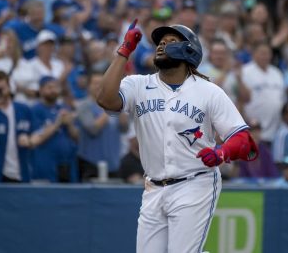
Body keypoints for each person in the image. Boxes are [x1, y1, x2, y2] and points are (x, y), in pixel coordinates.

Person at [97, 20, 258, 252]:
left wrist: (221, 153)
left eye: (171, 41)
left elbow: (244, 139)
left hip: (195, 183)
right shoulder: (139, 84)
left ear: (189, 50)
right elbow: (105, 99)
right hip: (153, 187)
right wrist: (124, 51)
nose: (161, 45)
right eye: (160, 42)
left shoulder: (208, 91)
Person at [0, 71, 33, 183]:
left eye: (1, 89)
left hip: (22, 171)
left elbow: (35, 135)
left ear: (9, 87)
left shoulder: (24, 109)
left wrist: (29, 140)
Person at [76, 71, 129, 181]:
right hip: (91, 163)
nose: (98, 86)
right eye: (95, 83)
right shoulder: (83, 105)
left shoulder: (116, 105)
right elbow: (93, 129)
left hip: (114, 162)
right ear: (88, 86)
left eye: (102, 83)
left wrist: (121, 105)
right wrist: (108, 106)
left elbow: (124, 128)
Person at [29, 76, 79, 182]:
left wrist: (69, 124)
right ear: (41, 90)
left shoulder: (65, 108)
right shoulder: (35, 110)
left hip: (67, 163)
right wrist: (58, 122)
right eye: (49, 87)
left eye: (56, 87)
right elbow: (36, 139)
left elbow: (76, 137)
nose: (53, 90)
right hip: (45, 162)